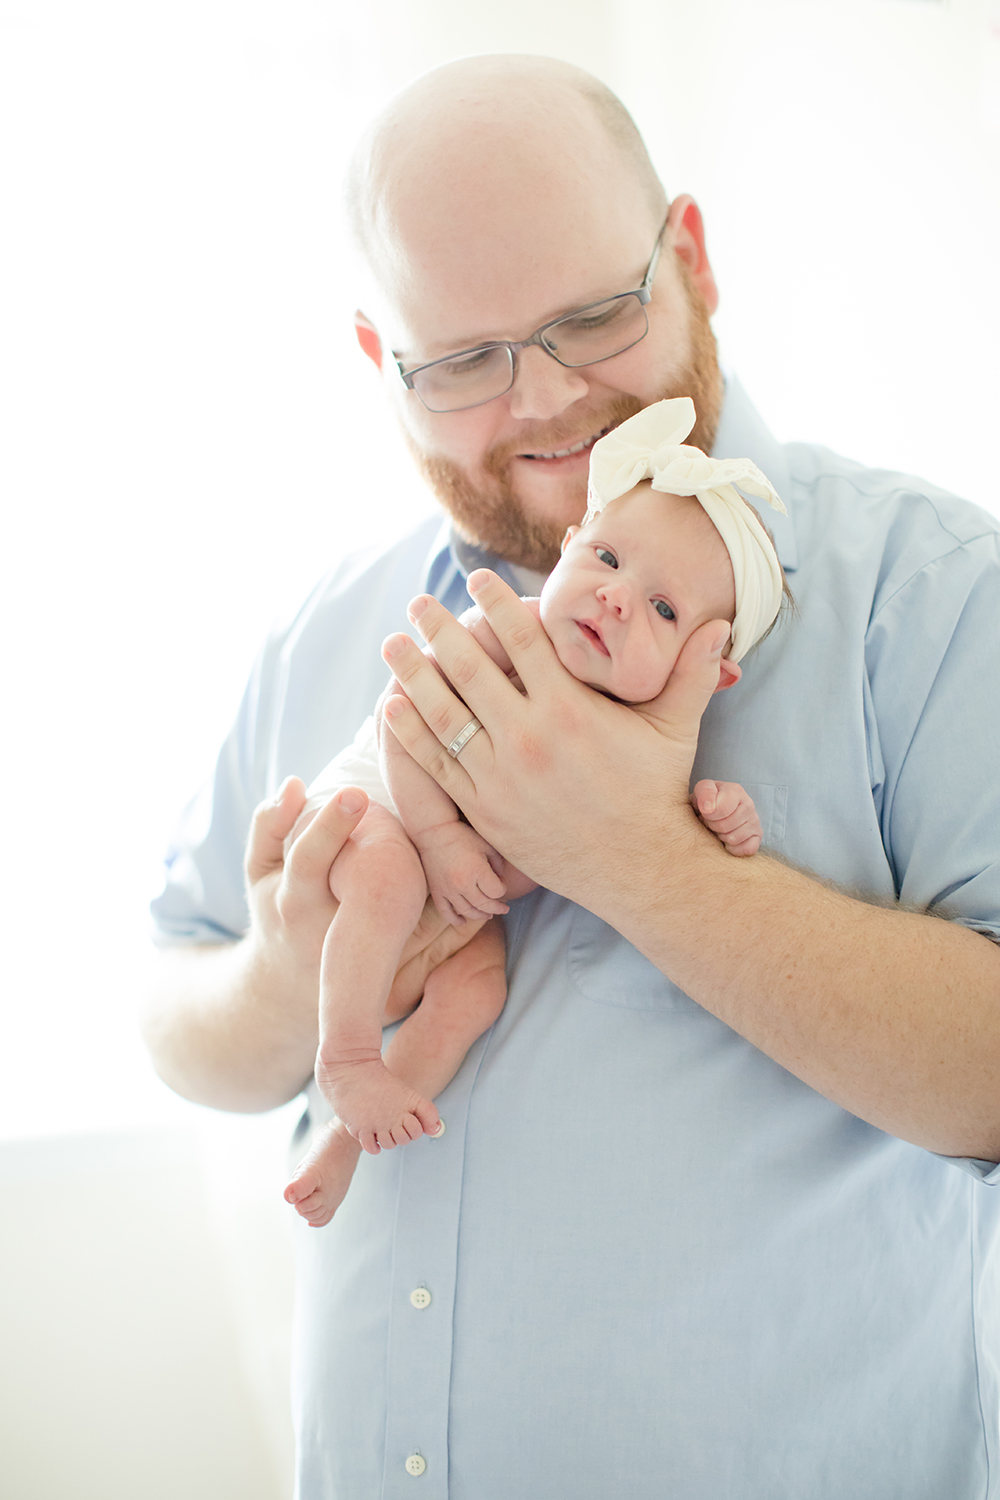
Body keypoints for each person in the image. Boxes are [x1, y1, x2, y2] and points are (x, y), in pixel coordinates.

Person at [143, 54, 1000, 1500]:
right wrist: (302, 977)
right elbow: (176, 1012)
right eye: (463, 361)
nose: (546, 405)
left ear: (693, 262)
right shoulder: (332, 624)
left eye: (592, 319)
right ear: (382, 364)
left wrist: (638, 861)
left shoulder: (936, 597)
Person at [283, 396, 786, 1228]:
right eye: (608, 558)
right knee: (386, 874)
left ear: (709, 668)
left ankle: (344, 1137)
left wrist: (720, 813)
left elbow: (658, 830)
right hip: (383, 809)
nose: (618, 599)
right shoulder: (503, 637)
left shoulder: (643, 739)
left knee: (474, 994)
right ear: (567, 548)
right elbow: (400, 721)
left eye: (663, 610)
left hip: (463, 896)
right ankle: (345, 1056)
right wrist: (439, 837)